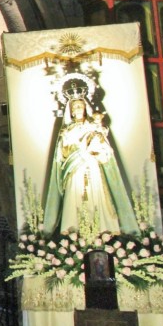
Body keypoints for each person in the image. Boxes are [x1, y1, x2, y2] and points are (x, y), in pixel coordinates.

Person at [43, 95, 136, 235]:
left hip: (91, 165)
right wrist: (65, 141)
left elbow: (103, 146)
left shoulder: (93, 127)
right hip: (75, 167)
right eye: (75, 107)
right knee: (74, 194)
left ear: (85, 108)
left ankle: (103, 228)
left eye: (81, 106)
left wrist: (98, 139)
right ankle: (72, 228)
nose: (78, 109)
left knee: (96, 193)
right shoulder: (67, 130)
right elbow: (63, 153)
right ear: (71, 111)